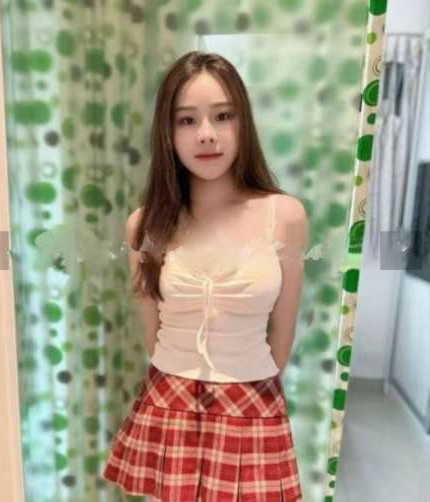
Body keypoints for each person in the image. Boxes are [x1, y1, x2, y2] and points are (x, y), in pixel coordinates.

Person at [102, 50, 307, 501]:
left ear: (243, 123)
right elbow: (153, 334)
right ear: (167, 132)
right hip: (169, 402)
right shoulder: (144, 224)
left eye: (223, 116)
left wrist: (247, 389)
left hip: (252, 402)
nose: (207, 134)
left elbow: (283, 331)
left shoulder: (284, 215)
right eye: (187, 120)